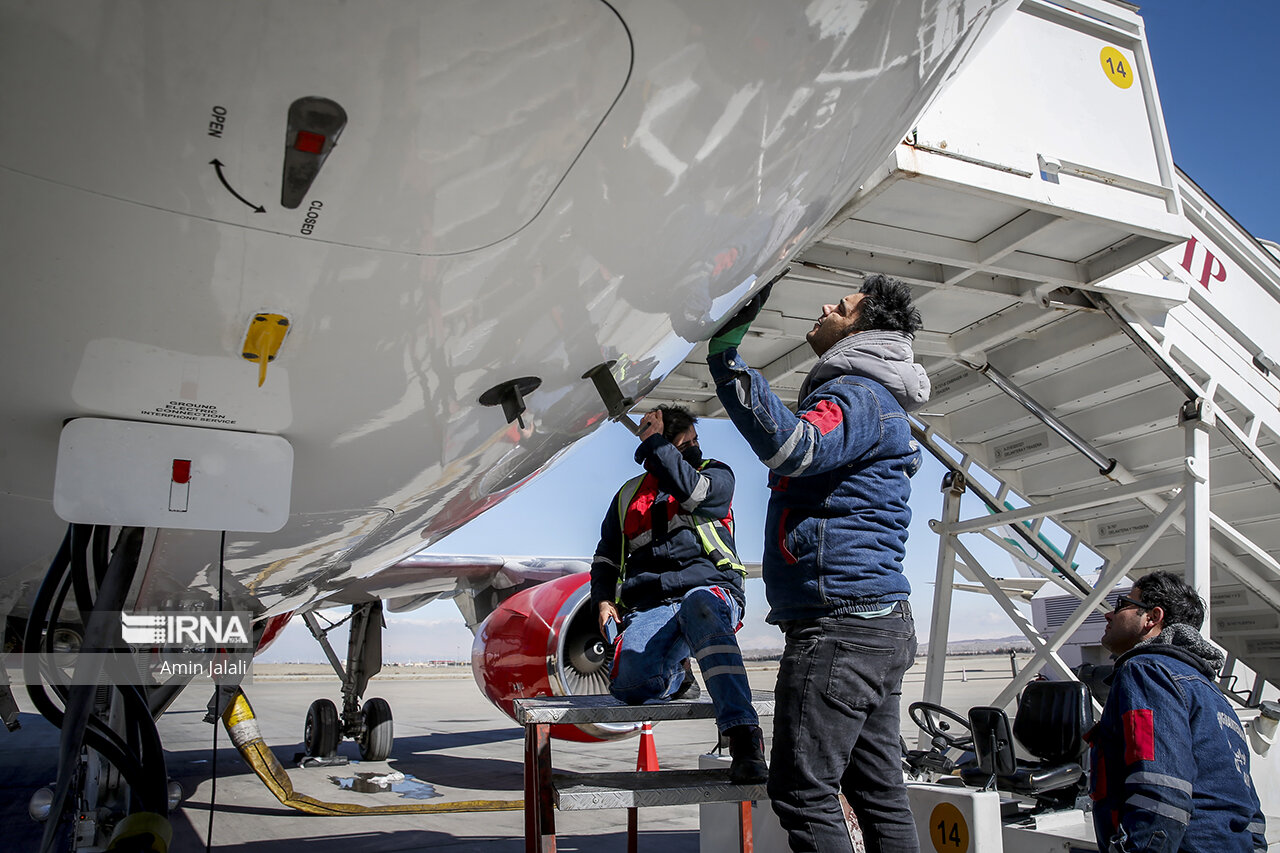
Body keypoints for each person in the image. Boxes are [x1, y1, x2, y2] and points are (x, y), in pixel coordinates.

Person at [707, 274, 929, 853]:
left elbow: (795, 448)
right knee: (878, 794)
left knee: (803, 794)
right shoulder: (879, 402)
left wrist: (727, 360)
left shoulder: (855, 393)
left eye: (844, 307)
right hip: (875, 626)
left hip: (840, 630)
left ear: (867, 329)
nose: (827, 307)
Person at [589, 405, 767, 783]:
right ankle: (679, 676)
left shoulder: (714, 475)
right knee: (630, 687)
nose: (695, 449)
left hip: (712, 591)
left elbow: (691, 491)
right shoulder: (627, 497)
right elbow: (606, 557)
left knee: (698, 605)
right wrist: (604, 599)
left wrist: (655, 442)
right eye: (685, 443)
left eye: (694, 442)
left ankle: (744, 738)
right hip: (652, 604)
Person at [1088, 570, 1267, 852]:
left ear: (1152, 617)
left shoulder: (1145, 670)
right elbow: (1248, 806)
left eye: (1122, 605)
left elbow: (1160, 788)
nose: (1110, 615)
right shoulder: (1209, 690)